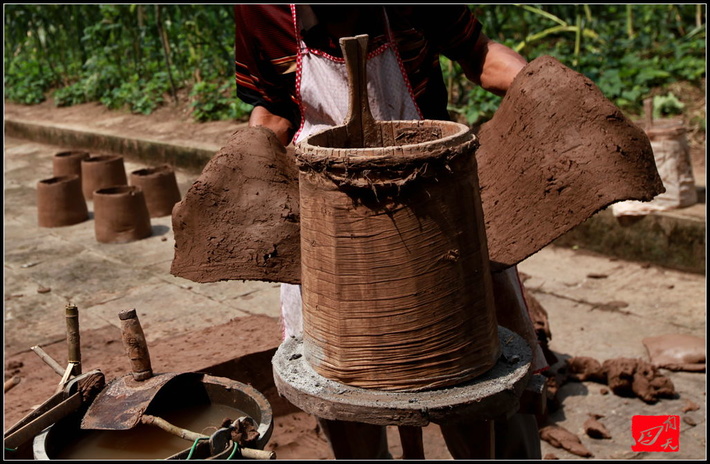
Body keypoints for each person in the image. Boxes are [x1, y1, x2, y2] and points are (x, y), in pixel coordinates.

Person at [234, 4, 546, 459]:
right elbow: (276, 105)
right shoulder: (262, 10)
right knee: (344, 390)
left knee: (485, 386)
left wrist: (549, 90)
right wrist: (249, 160)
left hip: (442, 216)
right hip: (331, 234)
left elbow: (478, 53)